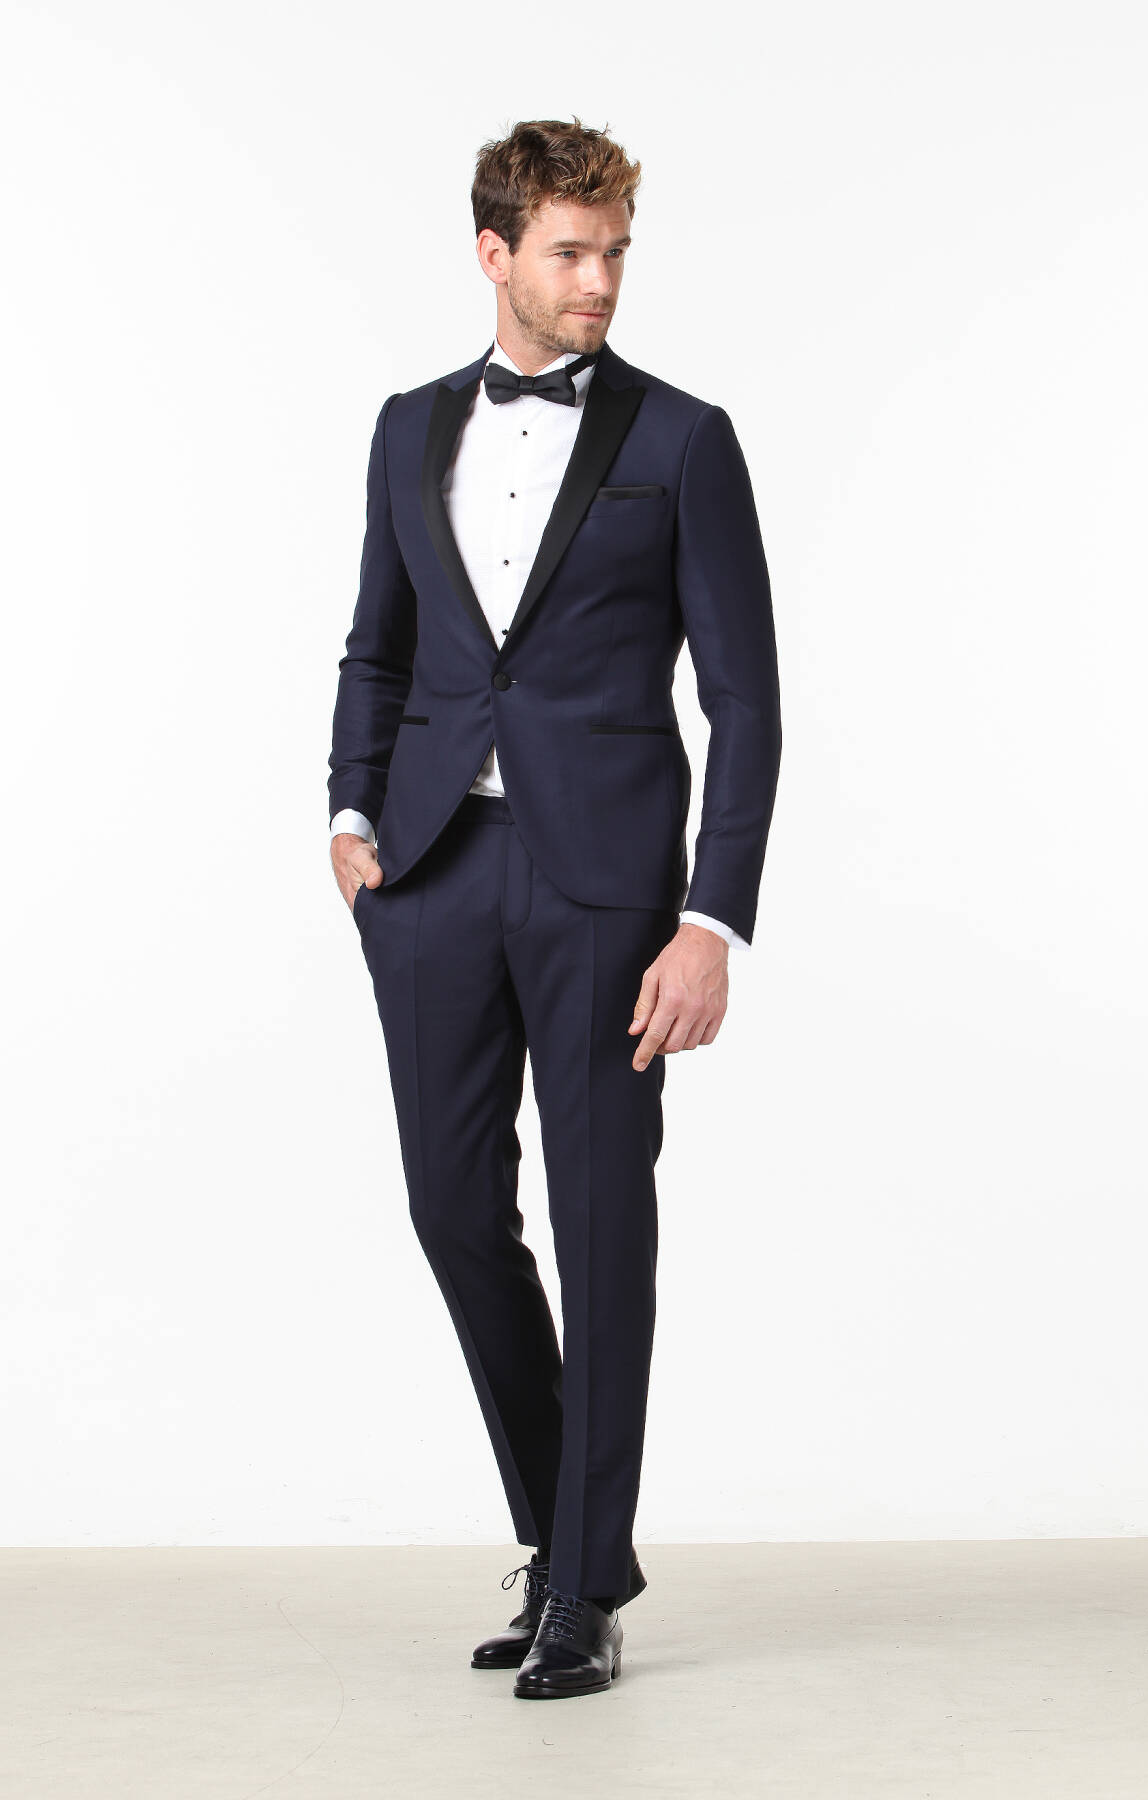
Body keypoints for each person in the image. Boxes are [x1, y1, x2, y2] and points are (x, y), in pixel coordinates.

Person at [327, 116, 782, 1699]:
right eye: (570, 252)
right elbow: (377, 643)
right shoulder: (406, 427)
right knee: (452, 1209)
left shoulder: (682, 440)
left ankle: (583, 1588)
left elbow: (744, 698)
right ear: (494, 254)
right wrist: (350, 811)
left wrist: (710, 920)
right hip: (433, 872)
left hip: (607, 892)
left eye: (615, 253)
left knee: (600, 1227)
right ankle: (563, 1535)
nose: (599, 282)